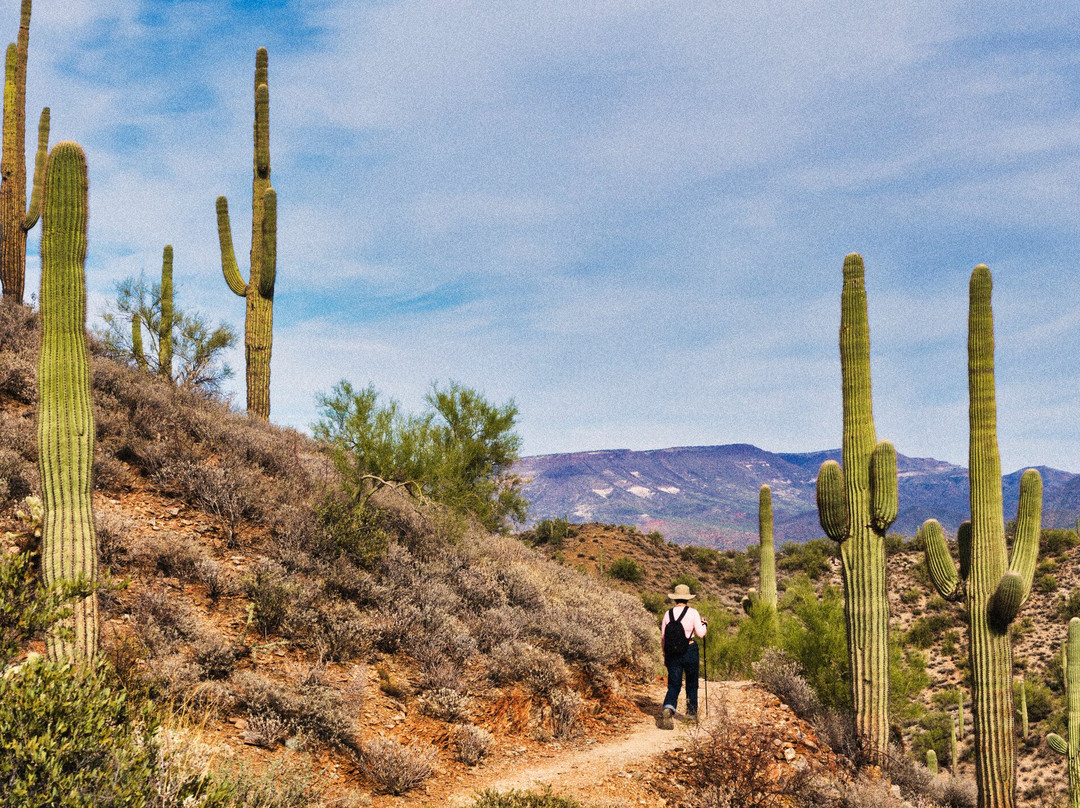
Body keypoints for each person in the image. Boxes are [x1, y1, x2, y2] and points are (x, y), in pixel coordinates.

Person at [659, 582, 707, 729]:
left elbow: (663, 637)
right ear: (687, 599)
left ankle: (668, 707)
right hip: (690, 649)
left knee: (674, 684)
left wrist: (665, 654)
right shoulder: (693, 613)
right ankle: (691, 715)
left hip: (672, 652)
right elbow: (700, 633)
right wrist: (704, 624)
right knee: (692, 682)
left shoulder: (668, 614)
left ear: (675, 598)